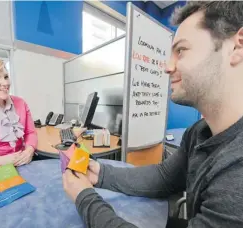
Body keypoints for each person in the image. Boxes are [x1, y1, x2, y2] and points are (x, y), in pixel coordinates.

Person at [62, 1, 243, 228]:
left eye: (181, 51)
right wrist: (100, 174)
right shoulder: (198, 133)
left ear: (237, 47)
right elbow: (164, 178)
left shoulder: (237, 170)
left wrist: (84, 197)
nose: (167, 66)